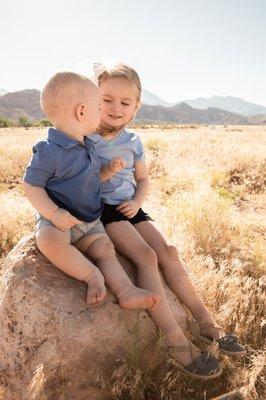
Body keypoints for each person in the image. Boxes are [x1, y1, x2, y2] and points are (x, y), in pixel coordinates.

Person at [90, 62, 245, 377]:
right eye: (107, 99)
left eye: (124, 102)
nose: (115, 108)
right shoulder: (86, 137)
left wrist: (136, 202)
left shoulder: (133, 141)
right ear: (94, 98)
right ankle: (174, 342)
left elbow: (143, 180)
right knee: (146, 256)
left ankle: (205, 322)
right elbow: (76, 182)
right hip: (103, 210)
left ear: (137, 106)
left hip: (129, 208)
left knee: (169, 252)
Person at [23, 71, 160, 311]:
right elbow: (31, 186)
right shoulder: (48, 149)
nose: (102, 113)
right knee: (48, 241)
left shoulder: (88, 144)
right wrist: (54, 214)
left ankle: (127, 291)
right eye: (99, 107)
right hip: (58, 221)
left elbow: (92, 178)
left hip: (89, 220)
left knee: (106, 250)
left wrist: (108, 170)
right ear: (82, 112)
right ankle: (90, 275)